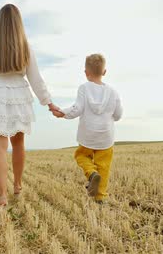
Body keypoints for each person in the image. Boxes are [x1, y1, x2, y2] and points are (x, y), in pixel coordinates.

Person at [0, 4, 58, 207]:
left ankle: (2, 195)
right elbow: (37, 79)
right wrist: (49, 103)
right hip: (19, 95)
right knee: (18, 144)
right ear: (18, 22)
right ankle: (17, 185)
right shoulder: (25, 46)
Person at [51, 54, 123, 203]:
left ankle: (91, 173)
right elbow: (118, 114)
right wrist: (111, 119)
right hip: (106, 137)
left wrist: (62, 113)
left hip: (88, 135)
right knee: (104, 166)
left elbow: (77, 109)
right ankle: (100, 197)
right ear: (104, 72)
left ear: (86, 72)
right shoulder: (113, 92)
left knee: (81, 156)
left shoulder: (84, 88)